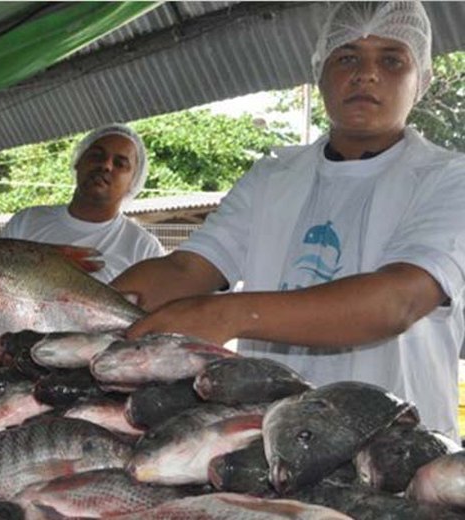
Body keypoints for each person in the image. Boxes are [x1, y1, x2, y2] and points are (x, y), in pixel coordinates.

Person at [112, 1, 465, 439]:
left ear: (422, 81)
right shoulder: (274, 175)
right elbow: (189, 269)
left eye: (392, 60)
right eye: (347, 57)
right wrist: (72, 303)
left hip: (400, 456)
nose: (366, 73)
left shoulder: (449, 177)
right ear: (320, 75)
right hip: (273, 441)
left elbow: (397, 300)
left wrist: (230, 314)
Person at [0, 123, 164, 283]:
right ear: (78, 162)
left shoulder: (144, 248)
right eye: (96, 155)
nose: (105, 165)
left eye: (120, 164)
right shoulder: (27, 221)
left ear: (133, 182)